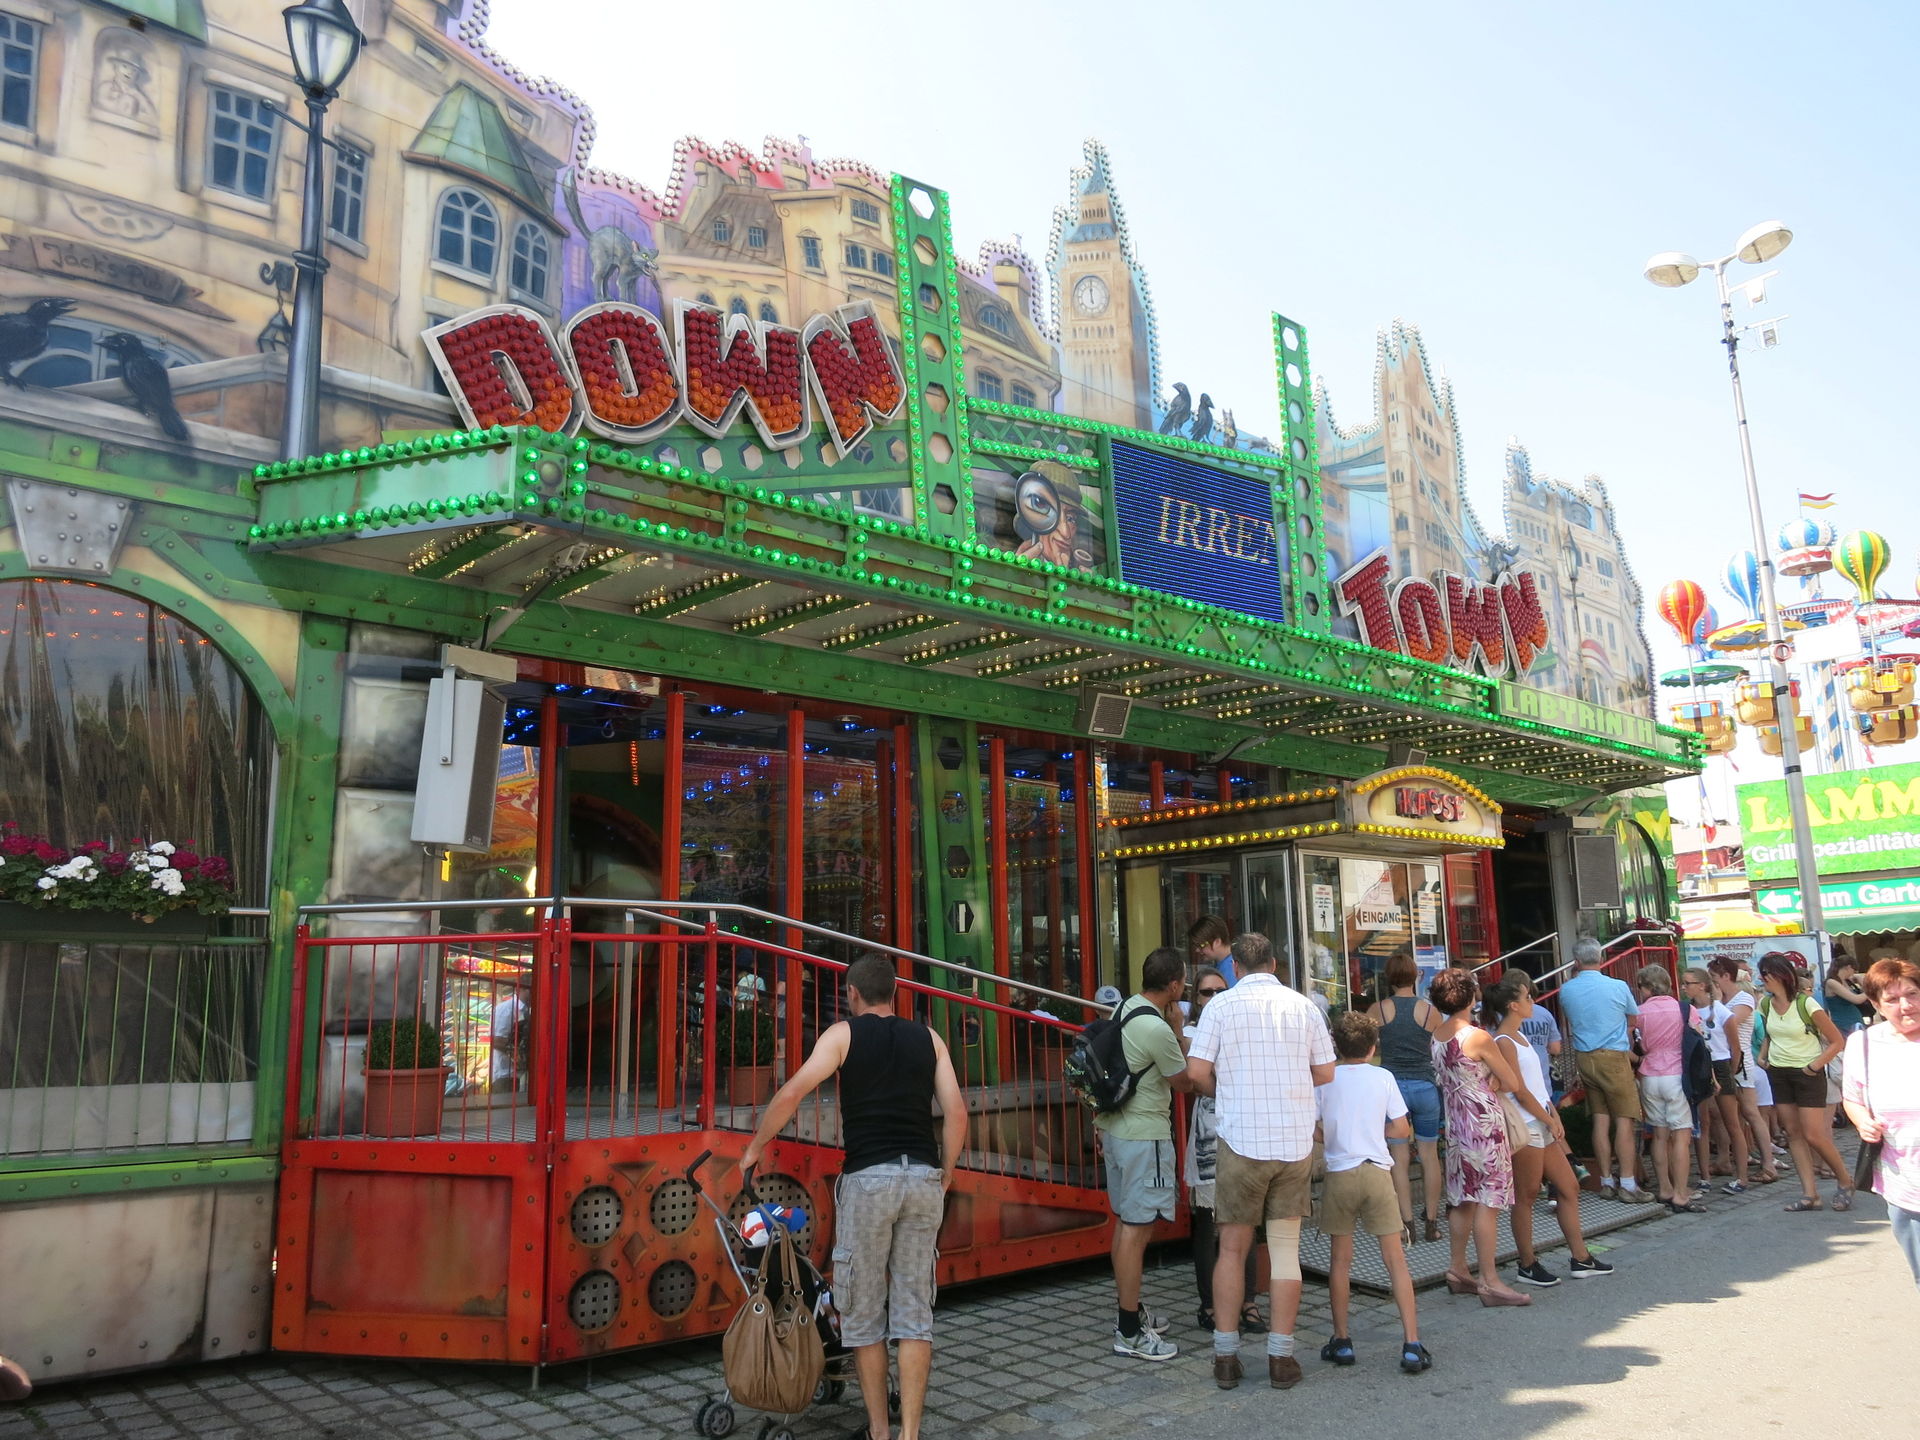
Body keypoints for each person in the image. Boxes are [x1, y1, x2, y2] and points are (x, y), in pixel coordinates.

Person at [740, 954, 966, 1440]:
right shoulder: (929, 1038)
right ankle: (910, 1435)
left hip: (868, 1181)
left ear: (852, 994)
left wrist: (755, 1147)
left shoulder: (842, 1035)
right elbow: (957, 1113)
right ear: (895, 993)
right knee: (914, 1314)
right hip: (922, 1176)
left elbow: (792, 1093)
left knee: (863, 1314)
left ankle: (879, 1432)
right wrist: (944, 1175)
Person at [1185, 932, 1336, 1392]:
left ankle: (1226, 1357)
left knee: (1231, 1248)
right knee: (1286, 1250)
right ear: (1272, 963)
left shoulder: (1220, 1006)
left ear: (1237, 967)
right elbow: (1326, 1071)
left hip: (1240, 1140)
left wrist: (1228, 1090)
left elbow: (1196, 1072)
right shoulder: (1304, 1006)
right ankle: (1281, 1357)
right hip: (1293, 1142)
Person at [1314, 1011, 1431, 1374]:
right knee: (1395, 1259)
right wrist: (1374, 1133)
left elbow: (1313, 1128)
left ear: (1336, 1045)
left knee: (1340, 1261)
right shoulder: (1383, 1077)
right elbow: (1401, 1127)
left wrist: (1335, 1136)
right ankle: (1412, 1344)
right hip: (1377, 1170)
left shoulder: (1325, 1080)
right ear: (1372, 1047)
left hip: (1340, 1173)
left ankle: (1342, 1341)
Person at [1483, 974, 1613, 1286]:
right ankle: (1527, 1263)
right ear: (1513, 1005)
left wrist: (1552, 1114)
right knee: (1526, 1195)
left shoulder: (1519, 1036)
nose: (1532, 1001)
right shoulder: (1503, 1041)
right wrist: (1548, 1117)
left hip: (1541, 1118)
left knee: (1568, 1186)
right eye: (1527, 997)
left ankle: (1581, 1257)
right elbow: (1519, 1090)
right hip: (1527, 1124)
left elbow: (1535, 1086)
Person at [1098, 946, 1194, 1361]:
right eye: (1183, 980)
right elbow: (1184, 1082)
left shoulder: (1126, 1007)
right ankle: (1129, 1331)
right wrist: (1178, 1029)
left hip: (1115, 1130)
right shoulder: (1157, 1028)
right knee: (1136, 1233)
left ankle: (1131, 1312)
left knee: (1125, 1227)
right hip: (1145, 1137)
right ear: (1173, 986)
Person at [1427, 967, 1532, 1306]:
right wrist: (1493, 1081)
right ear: (1470, 996)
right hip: (1484, 1125)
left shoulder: (1438, 1036)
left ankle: (1458, 1268)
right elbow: (1511, 1081)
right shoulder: (1478, 1037)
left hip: (1457, 1125)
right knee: (1489, 1201)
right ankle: (1490, 1280)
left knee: (1463, 1199)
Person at [1182, 966, 1261, 1335]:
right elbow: (1194, 1077)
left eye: (1220, 990)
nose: (1214, 997)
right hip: (1209, 1129)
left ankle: (1248, 1300)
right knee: (1207, 1222)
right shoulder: (1191, 1031)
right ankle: (1209, 1304)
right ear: (1196, 998)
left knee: (1246, 1217)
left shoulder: (1240, 1025)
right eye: (1206, 992)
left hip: (1244, 1125)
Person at [1842, 957, 1920, 1285]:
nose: (1906, 1005)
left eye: (1912, 994)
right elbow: (1852, 1099)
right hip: (1905, 1183)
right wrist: (1862, 1121)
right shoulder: (1863, 1044)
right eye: (1892, 999)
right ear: (1876, 1005)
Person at [1756, 952, 1852, 1213]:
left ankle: (1845, 1180)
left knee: (1813, 1134)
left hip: (1807, 1073)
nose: (1762, 979)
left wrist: (1814, 1066)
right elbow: (1770, 1035)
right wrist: (1763, 1057)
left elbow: (1837, 1041)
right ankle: (1810, 1194)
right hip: (1779, 1072)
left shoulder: (1806, 1004)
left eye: (1765, 974)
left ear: (1779, 976)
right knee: (1793, 1134)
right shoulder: (1766, 1004)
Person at [1558, 939, 1652, 1202]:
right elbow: (1632, 1019)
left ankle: (1607, 1182)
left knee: (1600, 1119)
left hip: (1584, 1057)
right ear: (1601, 959)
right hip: (1613, 1056)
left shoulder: (1567, 989)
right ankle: (1628, 1184)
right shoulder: (1618, 986)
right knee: (1625, 1119)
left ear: (1577, 961)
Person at [1364, 950, 1444, 1244]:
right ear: (1416, 976)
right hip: (1425, 1087)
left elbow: (1366, 1046)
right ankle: (1432, 1222)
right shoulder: (1430, 1012)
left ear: (1388, 978)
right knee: (1429, 1156)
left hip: (1392, 1089)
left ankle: (1406, 1224)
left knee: (1398, 1158)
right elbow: (1439, 1049)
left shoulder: (1378, 1010)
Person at [1631, 966, 1704, 1213]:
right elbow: (1698, 1042)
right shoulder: (1685, 1009)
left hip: (1650, 1075)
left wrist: (1640, 1059)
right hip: (1677, 1074)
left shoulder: (1639, 1012)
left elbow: (1629, 1043)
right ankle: (1681, 1193)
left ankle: (1664, 1188)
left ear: (1646, 987)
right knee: (1681, 1137)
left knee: (1659, 1136)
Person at [1707, 957, 1779, 1189]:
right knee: (1720, 1114)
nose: (1712, 982)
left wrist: (1714, 1003)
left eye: (1714, 977)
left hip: (1741, 1062)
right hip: (1721, 1060)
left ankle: (1768, 1163)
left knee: (1750, 1112)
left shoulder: (1743, 998)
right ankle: (1724, 1159)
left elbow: (1724, 1023)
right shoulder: (1720, 1000)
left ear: (1726, 976)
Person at [1825, 954, 1870, 1036]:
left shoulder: (1846, 981)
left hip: (1855, 1020)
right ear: (1849, 967)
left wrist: (1860, 980)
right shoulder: (1832, 982)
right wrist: (1870, 990)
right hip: (1843, 1023)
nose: (1853, 974)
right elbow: (1857, 999)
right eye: (1854, 970)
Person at [1188, 914, 1236, 986]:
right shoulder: (1226, 963)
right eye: (1196, 945)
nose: (1197, 950)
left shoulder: (1231, 969)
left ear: (1217, 942)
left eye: (1201, 945)